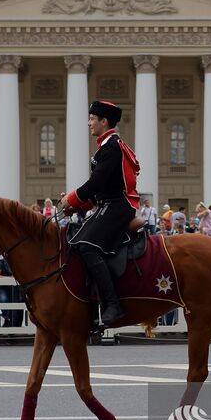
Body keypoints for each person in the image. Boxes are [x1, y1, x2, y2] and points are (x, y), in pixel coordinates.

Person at [59, 100, 139, 327]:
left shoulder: (111, 147)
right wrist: (76, 206)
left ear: (104, 121)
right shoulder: (107, 146)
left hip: (119, 206)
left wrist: (71, 198)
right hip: (110, 203)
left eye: (92, 119)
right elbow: (101, 190)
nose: (89, 123)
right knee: (74, 240)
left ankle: (113, 304)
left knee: (87, 246)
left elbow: (96, 183)